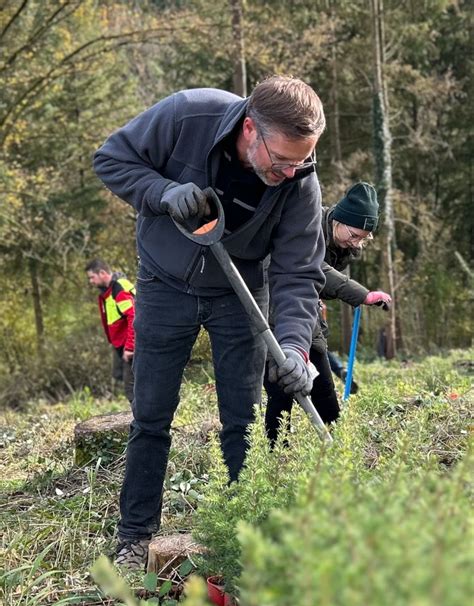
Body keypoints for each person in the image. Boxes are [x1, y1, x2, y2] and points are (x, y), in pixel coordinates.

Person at [93, 75, 327, 569]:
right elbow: (111, 158)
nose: (289, 173)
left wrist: (295, 349)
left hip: (240, 295)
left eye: (300, 161)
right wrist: (162, 191)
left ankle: (245, 537)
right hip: (163, 284)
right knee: (150, 417)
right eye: (280, 160)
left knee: (241, 422)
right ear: (249, 129)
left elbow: (298, 272)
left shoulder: (300, 181)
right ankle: (135, 538)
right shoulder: (187, 115)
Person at [264, 182, 391, 444]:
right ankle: (275, 457)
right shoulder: (308, 223)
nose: (357, 243)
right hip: (275, 313)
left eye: (363, 238)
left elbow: (321, 284)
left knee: (324, 388)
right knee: (282, 391)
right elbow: (312, 267)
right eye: (355, 235)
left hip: (307, 319)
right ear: (339, 220)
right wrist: (361, 294)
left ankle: (337, 449)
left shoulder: (341, 243)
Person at [85, 258, 136, 402]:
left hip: (131, 344)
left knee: (131, 389)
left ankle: (144, 421)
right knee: (118, 374)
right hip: (120, 343)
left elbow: (134, 316)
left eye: (92, 278)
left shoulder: (118, 288)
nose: (91, 282)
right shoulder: (108, 291)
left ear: (102, 273)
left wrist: (130, 347)